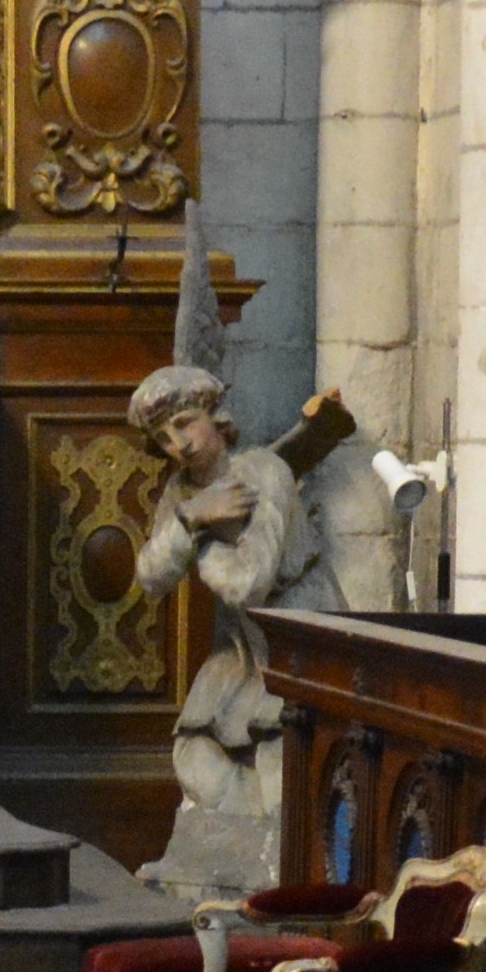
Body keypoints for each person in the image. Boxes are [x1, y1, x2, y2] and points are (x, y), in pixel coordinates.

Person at [128, 348, 338, 898]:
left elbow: (251, 583)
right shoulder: (183, 494)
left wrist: (197, 539)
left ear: (212, 417)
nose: (178, 445)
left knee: (279, 762)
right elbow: (149, 574)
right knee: (196, 752)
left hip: (300, 638)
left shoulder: (264, 471)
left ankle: (281, 878)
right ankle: (225, 863)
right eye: (163, 437)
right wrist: (193, 517)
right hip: (247, 646)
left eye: (183, 424)